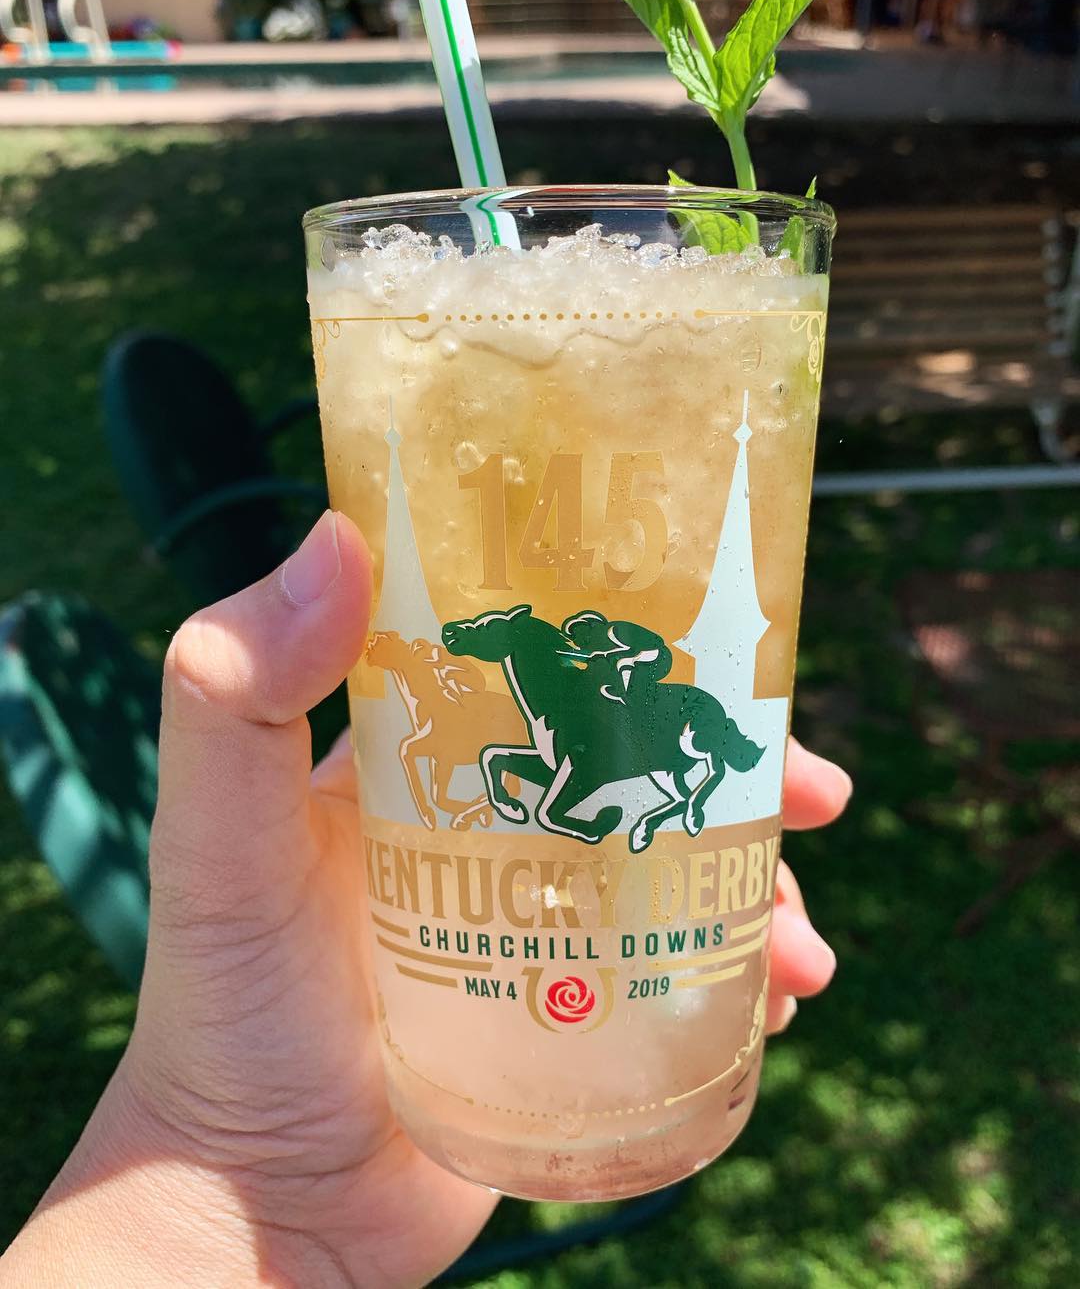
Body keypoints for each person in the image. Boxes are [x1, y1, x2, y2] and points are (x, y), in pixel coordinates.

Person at [0, 513, 849, 1286]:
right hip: (391, 1118)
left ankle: (654, 803)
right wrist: (242, 1191)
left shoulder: (618, 646)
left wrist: (263, 1216)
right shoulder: (552, 649)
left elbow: (646, 657)